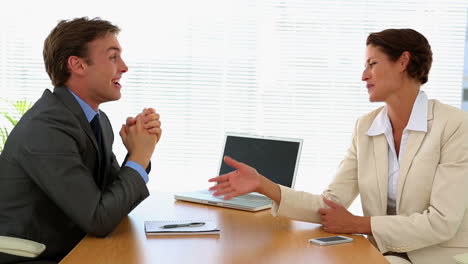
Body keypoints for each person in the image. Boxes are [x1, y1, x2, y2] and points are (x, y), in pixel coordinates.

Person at [209, 28, 468, 264]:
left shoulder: (454, 125)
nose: (364, 75)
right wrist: (264, 185)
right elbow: (331, 205)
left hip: (438, 257)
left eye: (372, 64)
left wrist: (359, 223)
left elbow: (442, 223)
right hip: (382, 255)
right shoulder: (366, 127)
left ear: (403, 61)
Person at [0, 17, 161, 263]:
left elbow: (113, 205)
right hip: (34, 258)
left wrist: (138, 153)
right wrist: (139, 157)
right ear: (77, 65)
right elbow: (99, 219)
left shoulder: (97, 121)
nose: (124, 67)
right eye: (113, 57)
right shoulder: (47, 127)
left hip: (75, 248)